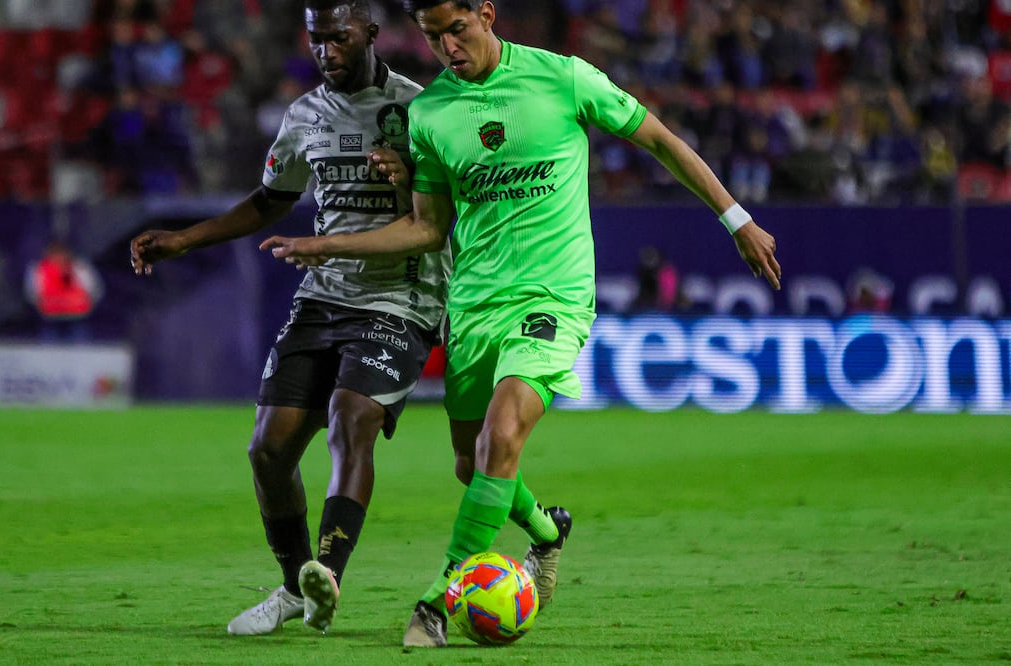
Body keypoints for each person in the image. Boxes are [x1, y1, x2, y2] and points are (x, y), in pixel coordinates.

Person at [261, 0, 782, 648]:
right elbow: (428, 227)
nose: (447, 46)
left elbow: (659, 140)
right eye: (432, 37)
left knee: (502, 435)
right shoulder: (429, 115)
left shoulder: (562, 78)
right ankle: (544, 530)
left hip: (553, 296)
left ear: (486, 13)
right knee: (470, 462)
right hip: (474, 304)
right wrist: (327, 245)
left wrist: (737, 220)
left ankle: (437, 602)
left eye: (457, 29)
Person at [128, 0, 453, 637]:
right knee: (267, 450)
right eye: (316, 41)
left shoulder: (421, 110)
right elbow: (271, 200)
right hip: (324, 294)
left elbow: (458, 199)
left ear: (369, 34)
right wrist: (188, 238)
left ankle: (326, 575)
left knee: (351, 416)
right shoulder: (304, 115)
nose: (326, 51)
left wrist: (413, 169)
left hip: (400, 296)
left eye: (338, 38)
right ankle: (293, 584)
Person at [25, 239, 104, 341]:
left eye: (61, 253)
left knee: (81, 345)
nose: (58, 257)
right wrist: (43, 302)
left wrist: (85, 302)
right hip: (50, 318)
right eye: (55, 253)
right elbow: (32, 293)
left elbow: (95, 290)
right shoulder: (38, 269)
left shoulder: (80, 267)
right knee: (48, 346)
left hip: (77, 317)